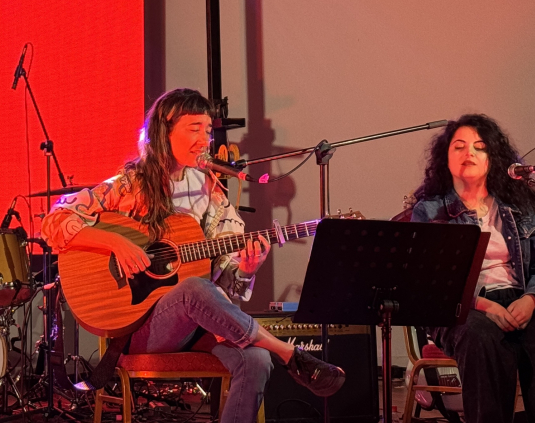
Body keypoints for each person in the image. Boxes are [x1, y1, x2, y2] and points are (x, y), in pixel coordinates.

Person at [41, 88, 345, 422]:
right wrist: (116, 243)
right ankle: (290, 354)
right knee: (193, 290)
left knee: (256, 360)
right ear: (164, 130)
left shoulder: (210, 191)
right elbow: (55, 221)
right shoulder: (129, 185)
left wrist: (246, 267)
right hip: (138, 329)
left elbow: (224, 290)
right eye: (194, 128)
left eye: (208, 130)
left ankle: (280, 356)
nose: (205, 139)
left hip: (196, 327)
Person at [409, 114, 535, 423]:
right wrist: (484, 306)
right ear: (445, 159)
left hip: (518, 299)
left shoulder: (520, 204)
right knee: (481, 337)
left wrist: (530, 300)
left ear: (493, 157)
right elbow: (432, 281)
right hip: (461, 308)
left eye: (479, 146)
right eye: (459, 147)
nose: (469, 154)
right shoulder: (430, 210)